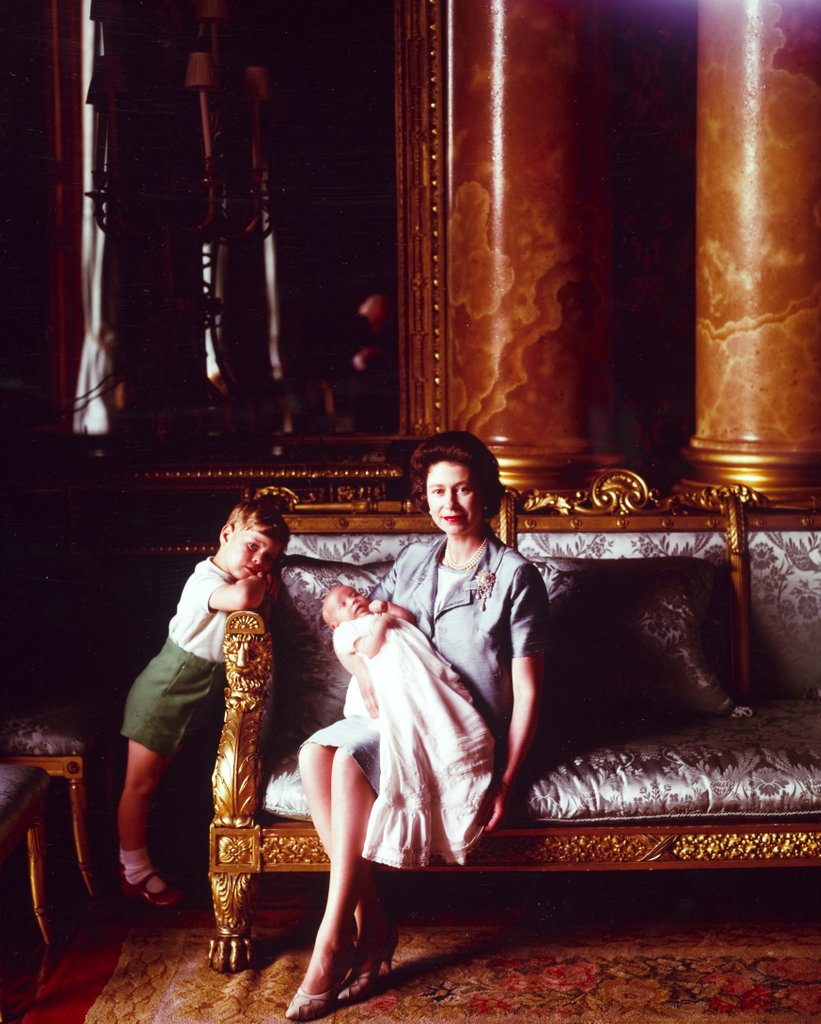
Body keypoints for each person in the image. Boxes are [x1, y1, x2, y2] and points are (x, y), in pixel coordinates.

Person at [287, 431, 549, 1021]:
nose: (449, 503)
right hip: (399, 712)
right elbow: (353, 633)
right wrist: (369, 678)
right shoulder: (412, 560)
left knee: (349, 764)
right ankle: (371, 923)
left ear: (486, 494)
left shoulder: (514, 576)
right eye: (437, 491)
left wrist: (506, 780)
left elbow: (528, 689)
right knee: (313, 756)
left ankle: (332, 944)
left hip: (460, 729)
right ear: (424, 497)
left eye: (462, 489)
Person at [117, 496, 289, 907]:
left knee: (170, 784)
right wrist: (262, 584)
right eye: (253, 546)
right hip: (164, 695)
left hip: (196, 698)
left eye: (270, 557)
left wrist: (261, 583)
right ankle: (133, 870)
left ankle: (150, 862)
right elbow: (245, 599)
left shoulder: (237, 580)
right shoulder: (205, 581)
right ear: (226, 534)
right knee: (139, 786)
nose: (260, 561)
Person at [320, 584, 494, 869]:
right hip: (393, 683)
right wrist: (384, 621)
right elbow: (371, 648)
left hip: (422, 675)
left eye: (355, 594)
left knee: (450, 718)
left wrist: (388, 609)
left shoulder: (380, 611)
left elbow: (410, 620)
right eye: (343, 603)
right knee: (412, 726)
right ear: (334, 624)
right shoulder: (347, 632)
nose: (353, 601)